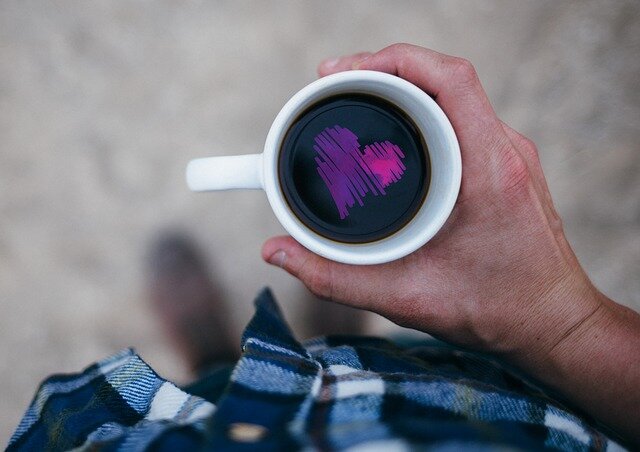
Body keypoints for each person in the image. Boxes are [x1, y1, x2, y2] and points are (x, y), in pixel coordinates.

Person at [7, 44, 639, 451]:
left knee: (210, 396)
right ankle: (325, 343)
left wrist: (566, 321)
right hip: (473, 414)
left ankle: (216, 362)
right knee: (368, 358)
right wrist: (565, 325)